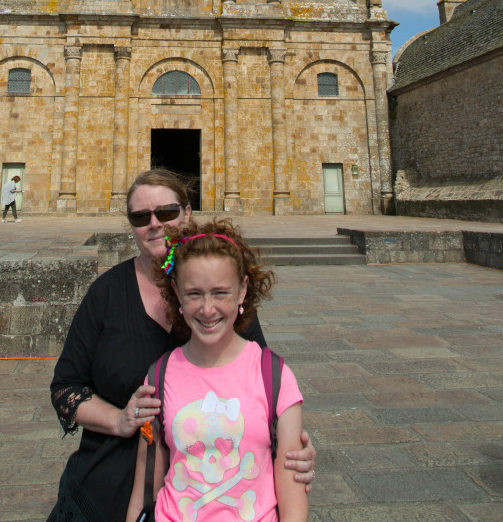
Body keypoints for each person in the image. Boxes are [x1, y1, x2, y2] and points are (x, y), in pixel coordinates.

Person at [47, 169, 315, 522]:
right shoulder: (106, 293)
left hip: (211, 490)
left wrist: (288, 442)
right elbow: (66, 386)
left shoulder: (218, 302)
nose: (154, 224)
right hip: (110, 485)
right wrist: (119, 419)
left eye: (167, 212)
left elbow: (261, 390)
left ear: (187, 213)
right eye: (141, 216)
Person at [126, 218, 307, 522]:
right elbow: (145, 486)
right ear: (177, 293)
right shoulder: (159, 376)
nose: (207, 309)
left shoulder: (274, 376)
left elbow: (293, 487)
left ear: (242, 291)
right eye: (194, 293)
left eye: (220, 292)